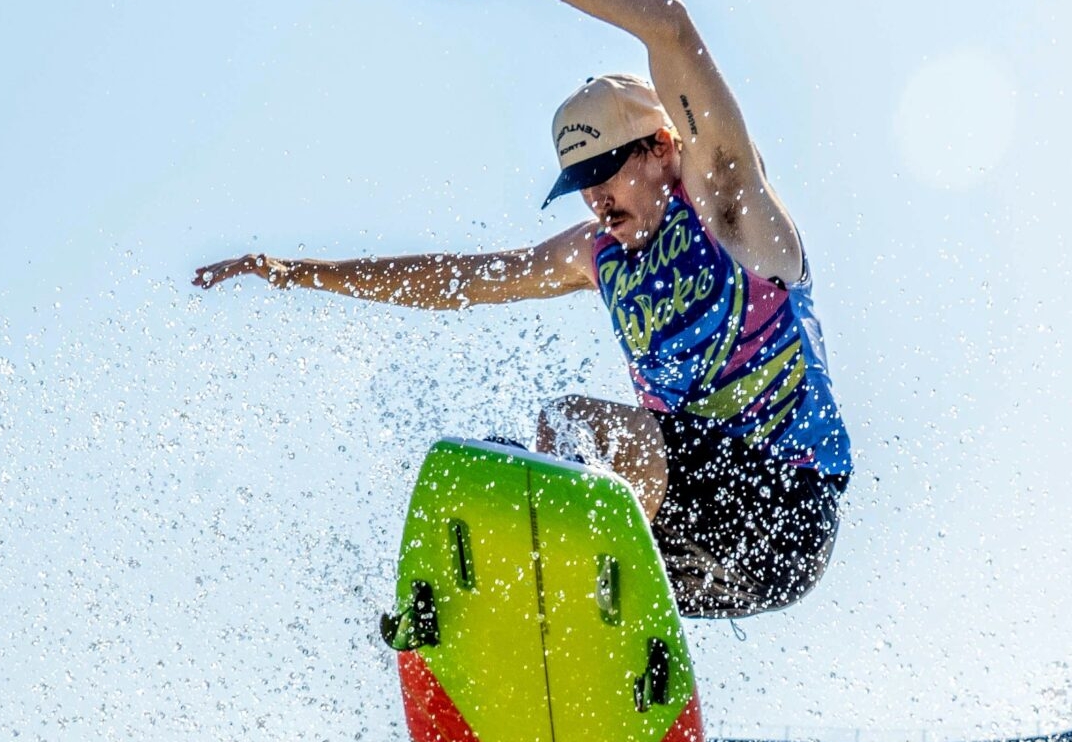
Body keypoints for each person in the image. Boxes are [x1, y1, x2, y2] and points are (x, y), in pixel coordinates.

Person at [193, 0, 851, 620]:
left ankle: (557, 601)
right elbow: (459, 280)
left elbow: (668, 25)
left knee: (573, 426)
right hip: (701, 546)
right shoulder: (597, 255)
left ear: (660, 146)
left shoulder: (729, 209)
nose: (595, 197)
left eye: (608, 169)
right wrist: (298, 273)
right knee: (506, 480)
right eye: (581, 182)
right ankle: (545, 655)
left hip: (785, 509)